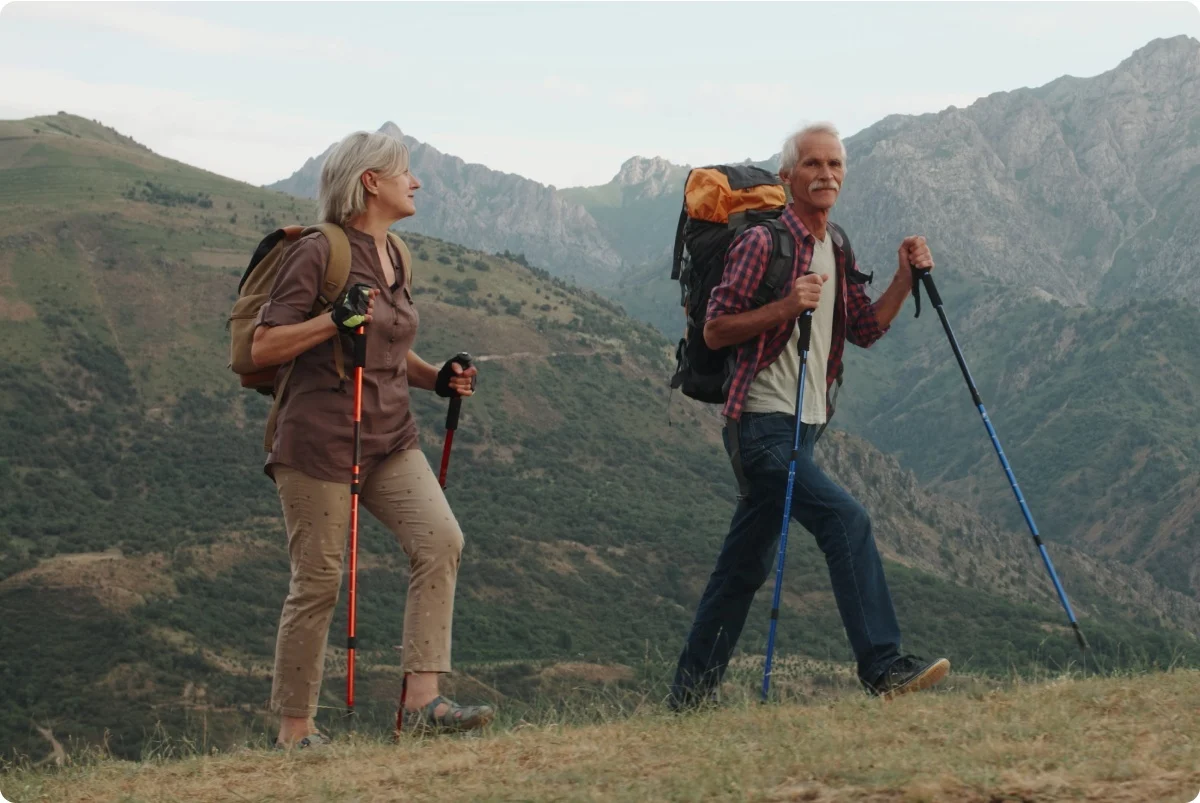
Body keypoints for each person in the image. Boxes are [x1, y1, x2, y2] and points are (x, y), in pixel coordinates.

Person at [669, 122, 951, 710]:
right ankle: (882, 665)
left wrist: (905, 275)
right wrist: (785, 306)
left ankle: (687, 700)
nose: (826, 174)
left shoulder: (836, 245)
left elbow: (866, 328)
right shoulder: (762, 244)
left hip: (805, 428)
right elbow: (716, 329)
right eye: (813, 165)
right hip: (761, 426)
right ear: (787, 177)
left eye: (835, 165)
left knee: (740, 570)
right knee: (847, 522)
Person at [251, 130, 493, 746]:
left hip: (388, 434)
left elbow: (387, 349)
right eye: (405, 173)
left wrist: (436, 377)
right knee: (319, 580)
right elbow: (265, 345)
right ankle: (295, 731)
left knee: (440, 539)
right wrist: (333, 319)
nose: (415, 182)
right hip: (318, 441)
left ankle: (424, 702)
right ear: (370, 182)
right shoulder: (319, 252)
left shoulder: (398, 255)